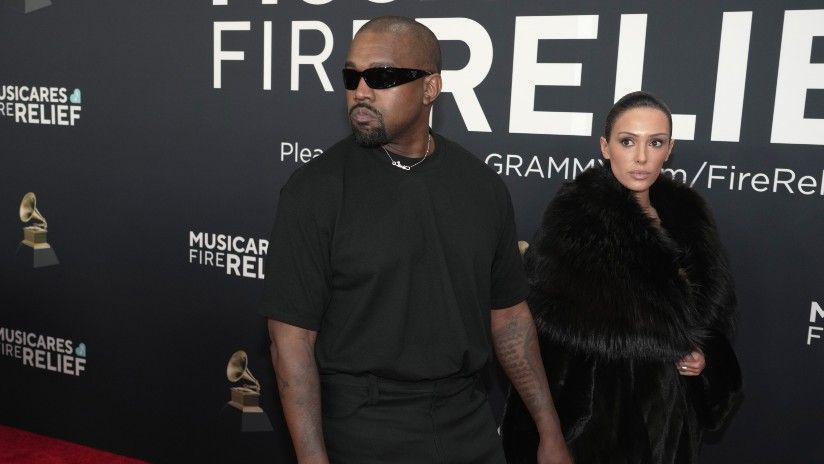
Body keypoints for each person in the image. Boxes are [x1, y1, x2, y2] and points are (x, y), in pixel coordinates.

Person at [259, 16, 571, 464]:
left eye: (382, 76)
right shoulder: (315, 190)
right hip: (360, 424)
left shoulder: (481, 186)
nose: (361, 91)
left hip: (468, 419)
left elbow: (509, 318)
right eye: (352, 76)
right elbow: (289, 342)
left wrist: (550, 431)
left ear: (430, 88)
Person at [502, 91, 743, 463]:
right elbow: (544, 346)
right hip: (598, 429)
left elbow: (711, 323)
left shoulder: (690, 220)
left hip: (671, 426)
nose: (642, 157)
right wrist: (547, 435)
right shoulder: (575, 223)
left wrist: (703, 357)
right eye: (628, 141)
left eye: (656, 143)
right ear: (605, 146)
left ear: (670, 148)